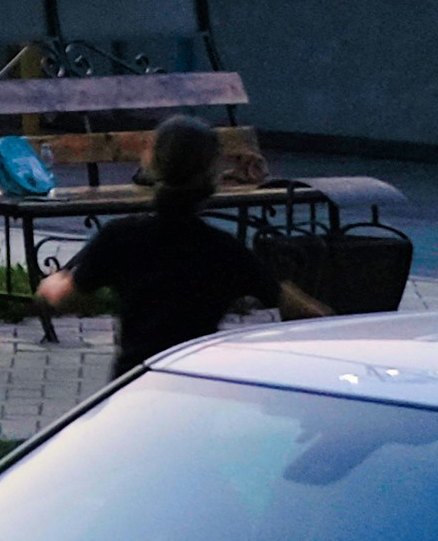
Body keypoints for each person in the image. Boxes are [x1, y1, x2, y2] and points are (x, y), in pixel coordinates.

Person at [34, 114, 325, 370]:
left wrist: (51, 284)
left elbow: (67, 296)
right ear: (213, 174)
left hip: (136, 377)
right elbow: (299, 307)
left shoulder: (120, 237)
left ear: (151, 163)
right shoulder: (224, 250)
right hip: (193, 381)